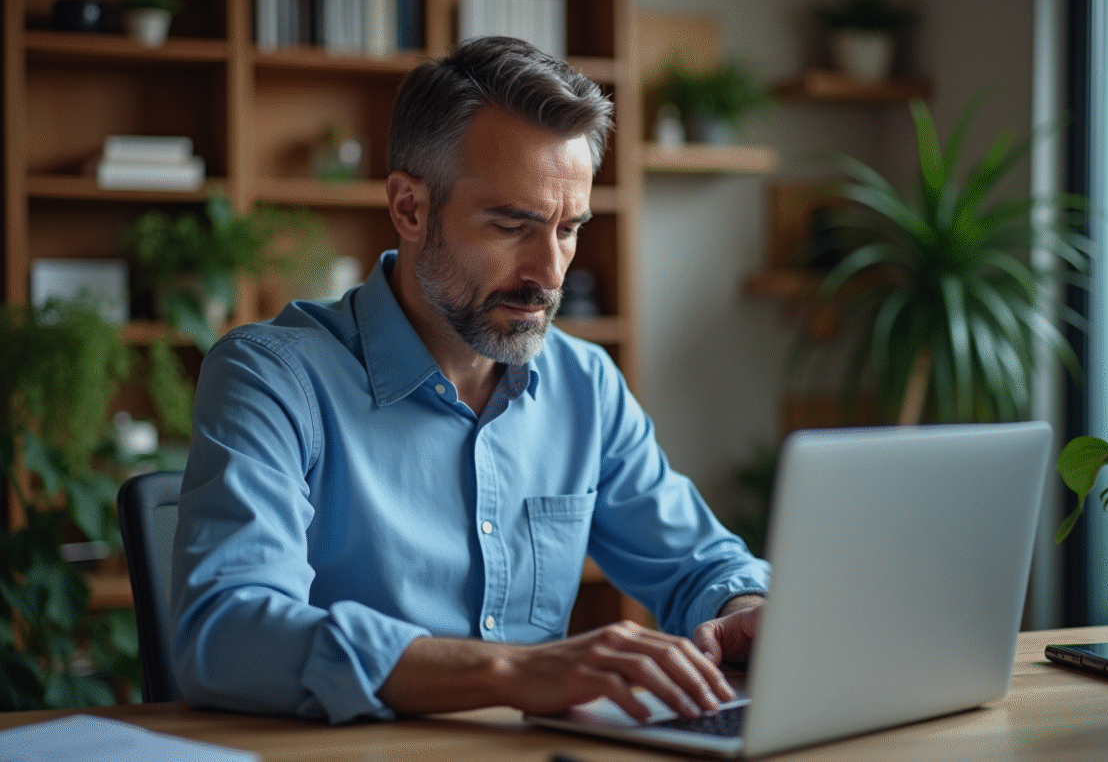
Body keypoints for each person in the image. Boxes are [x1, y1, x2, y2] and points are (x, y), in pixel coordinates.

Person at [170, 36, 770, 725]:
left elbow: (699, 564)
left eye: (569, 229)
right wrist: (511, 672)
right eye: (513, 225)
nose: (550, 273)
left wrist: (743, 611)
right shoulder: (271, 378)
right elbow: (226, 632)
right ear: (410, 208)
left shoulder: (585, 385)